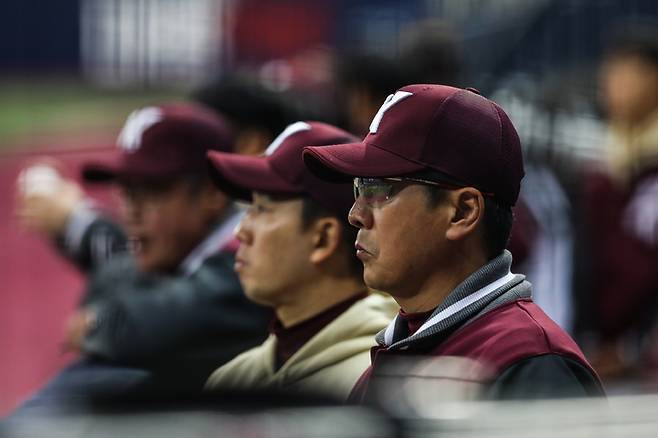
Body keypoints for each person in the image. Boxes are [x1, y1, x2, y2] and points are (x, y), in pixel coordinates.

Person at [303, 84, 605, 401]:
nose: (355, 214)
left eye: (379, 188)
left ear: (462, 212)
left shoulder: (532, 365)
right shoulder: (393, 355)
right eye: (359, 187)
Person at [16, 102, 269, 402]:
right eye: (126, 193)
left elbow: (139, 325)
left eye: (151, 191)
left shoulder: (253, 251)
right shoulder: (184, 251)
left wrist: (99, 322)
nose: (131, 212)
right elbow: (118, 277)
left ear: (212, 193)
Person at [204, 121, 398, 400]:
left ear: (322, 238)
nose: (240, 231)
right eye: (248, 209)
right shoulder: (233, 378)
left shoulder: (373, 380)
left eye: (262, 209)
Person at [582, 24, 658, 382]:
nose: (611, 85)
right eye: (609, 74)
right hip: (607, 345)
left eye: (625, 73)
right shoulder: (609, 161)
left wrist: (635, 347)